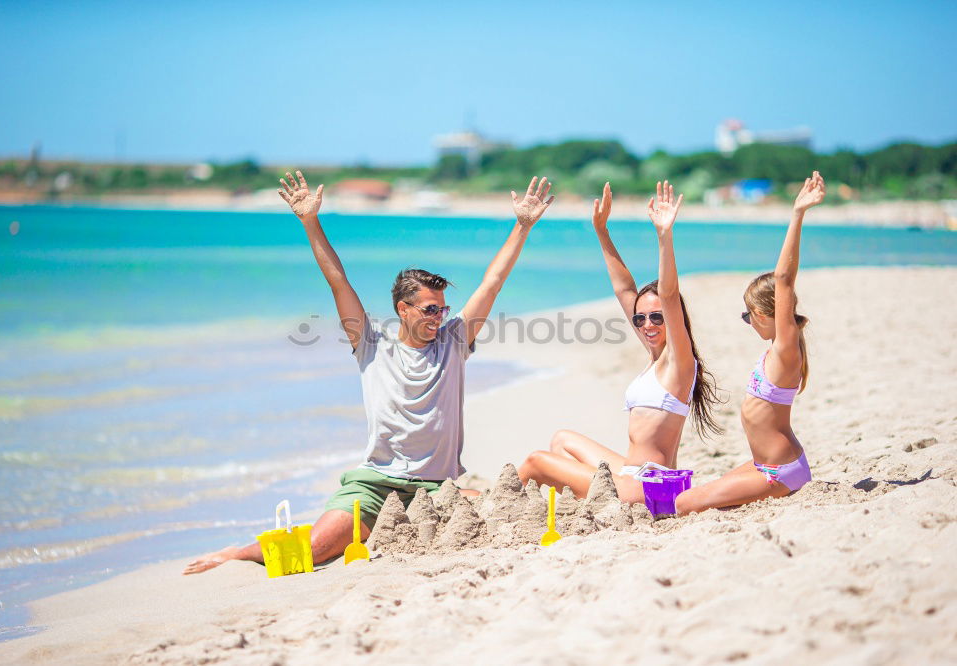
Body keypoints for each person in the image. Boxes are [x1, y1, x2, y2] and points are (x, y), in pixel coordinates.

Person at [184, 171, 555, 573]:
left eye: (443, 309)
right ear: (404, 309)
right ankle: (234, 554)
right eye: (431, 309)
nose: (440, 317)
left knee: (505, 510)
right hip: (375, 485)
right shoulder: (371, 344)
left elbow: (493, 282)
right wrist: (310, 221)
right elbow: (337, 280)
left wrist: (522, 226)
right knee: (315, 549)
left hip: (438, 488)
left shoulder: (453, 342)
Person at [517, 181, 722, 503]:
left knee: (535, 461)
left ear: (673, 318)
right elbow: (626, 290)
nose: (647, 324)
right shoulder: (655, 356)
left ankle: (499, 504)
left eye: (657, 317)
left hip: (655, 488)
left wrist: (664, 235)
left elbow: (668, 295)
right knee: (562, 440)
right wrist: (601, 231)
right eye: (640, 319)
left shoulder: (679, 360)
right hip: (632, 475)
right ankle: (568, 510)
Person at [675, 171, 825, 515]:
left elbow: (784, 280)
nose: (748, 323)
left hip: (779, 471)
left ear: (765, 313)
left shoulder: (787, 348)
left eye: (749, 315)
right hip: (763, 463)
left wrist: (798, 213)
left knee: (683, 504)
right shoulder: (775, 349)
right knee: (699, 493)